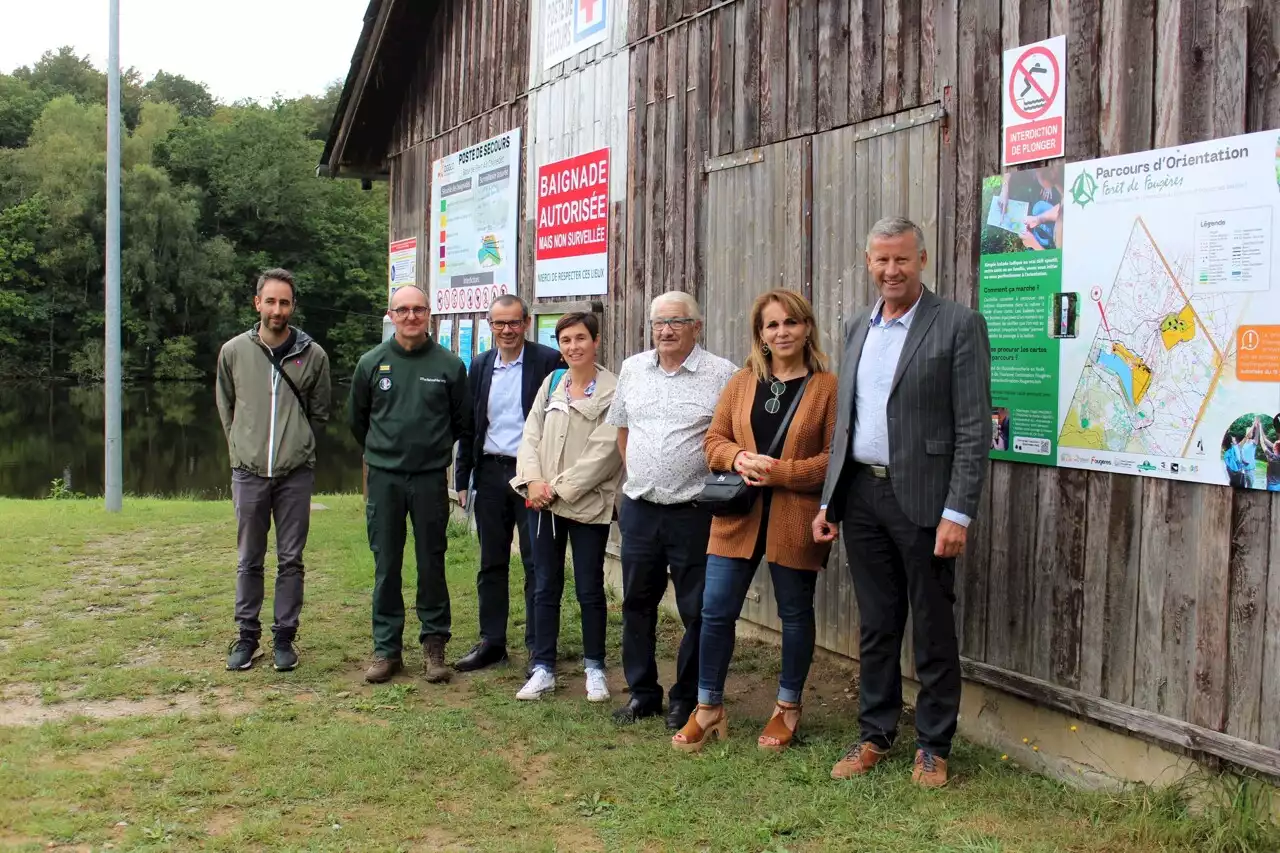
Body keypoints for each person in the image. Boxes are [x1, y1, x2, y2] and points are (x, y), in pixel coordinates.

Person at [813, 217, 991, 788]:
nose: (891, 270)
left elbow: (972, 427)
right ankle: (875, 733)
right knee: (877, 623)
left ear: (922, 260)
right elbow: (849, 422)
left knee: (933, 626)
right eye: (881, 260)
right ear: (868, 261)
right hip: (863, 494)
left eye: (902, 260)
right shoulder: (855, 325)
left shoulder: (958, 324)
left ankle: (934, 746)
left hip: (925, 500)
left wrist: (957, 512)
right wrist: (830, 502)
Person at [671, 290, 837, 753]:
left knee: (795, 616)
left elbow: (833, 459)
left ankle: (787, 707)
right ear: (760, 335)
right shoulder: (743, 382)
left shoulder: (827, 387)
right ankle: (708, 707)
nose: (781, 332)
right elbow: (713, 441)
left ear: (806, 328)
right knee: (715, 610)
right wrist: (739, 457)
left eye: (790, 323)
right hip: (736, 517)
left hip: (795, 518)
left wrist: (782, 472)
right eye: (771, 325)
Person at [605, 291, 737, 729]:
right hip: (641, 507)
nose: (665, 331)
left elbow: (733, 439)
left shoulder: (723, 374)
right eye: (659, 323)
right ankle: (643, 692)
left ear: (696, 327)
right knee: (636, 603)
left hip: (694, 511)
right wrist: (643, 478)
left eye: (676, 322)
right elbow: (624, 431)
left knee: (698, 609)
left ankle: (687, 697)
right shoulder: (632, 369)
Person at [349, 285, 473, 685]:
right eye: (403, 310)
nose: (411, 317)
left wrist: (430, 451)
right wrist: (384, 453)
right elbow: (358, 421)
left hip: (429, 479)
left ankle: (434, 646)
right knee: (386, 564)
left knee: (431, 563)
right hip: (384, 478)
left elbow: (461, 422)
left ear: (429, 314)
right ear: (391, 314)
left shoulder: (449, 365)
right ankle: (387, 649)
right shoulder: (371, 362)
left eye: (418, 309)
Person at [216, 268, 331, 673]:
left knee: (290, 559)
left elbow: (319, 413)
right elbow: (226, 406)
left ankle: (284, 637)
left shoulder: (312, 354)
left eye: (284, 302)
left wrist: (296, 447)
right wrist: (241, 448)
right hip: (248, 472)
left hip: (294, 474)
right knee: (249, 558)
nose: (277, 309)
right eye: (271, 301)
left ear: (292, 306)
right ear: (257, 303)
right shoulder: (233, 351)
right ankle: (247, 638)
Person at [510, 313, 623, 702]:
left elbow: (605, 453)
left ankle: (595, 668)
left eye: (580, 338)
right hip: (541, 503)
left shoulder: (612, 390)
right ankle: (543, 667)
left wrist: (556, 489)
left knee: (590, 588)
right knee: (544, 586)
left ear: (595, 341)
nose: (573, 346)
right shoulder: (553, 382)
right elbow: (531, 434)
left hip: (586, 505)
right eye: (565, 340)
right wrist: (533, 481)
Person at [453, 295, 563, 676]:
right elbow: (470, 426)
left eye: (513, 323)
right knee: (491, 562)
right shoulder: (481, 365)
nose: (506, 330)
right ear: (490, 325)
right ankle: (492, 642)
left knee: (537, 563)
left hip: (532, 476)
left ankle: (539, 650)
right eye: (498, 323)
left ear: (526, 323)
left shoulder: (549, 361)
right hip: (490, 473)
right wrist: (462, 477)